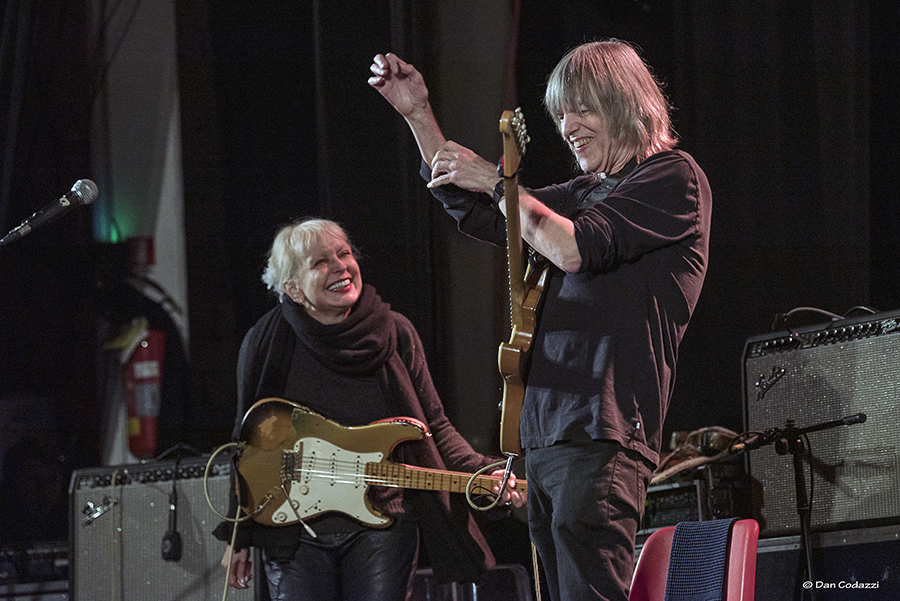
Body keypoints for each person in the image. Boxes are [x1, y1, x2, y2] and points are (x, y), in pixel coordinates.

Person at [369, 39, 711, 601]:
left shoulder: (672, 179)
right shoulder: (584, 190)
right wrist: (417, 115)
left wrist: (495, 182)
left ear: (626, 103)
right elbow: (486, 213)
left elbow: (572, 247)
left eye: (582, 109)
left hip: (605, 432)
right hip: (548, 435)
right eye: (560, 115)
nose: (568, 126)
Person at [214, 218, 523, 601]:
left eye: (344, 253)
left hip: (383, 525)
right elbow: (246, 446)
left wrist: (483, 469)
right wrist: (238, 534)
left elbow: (434, 427)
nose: (341, 266)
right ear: (293, 288)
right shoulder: (266, 341)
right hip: (293, 531)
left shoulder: (394, 332)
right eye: (320, 262)